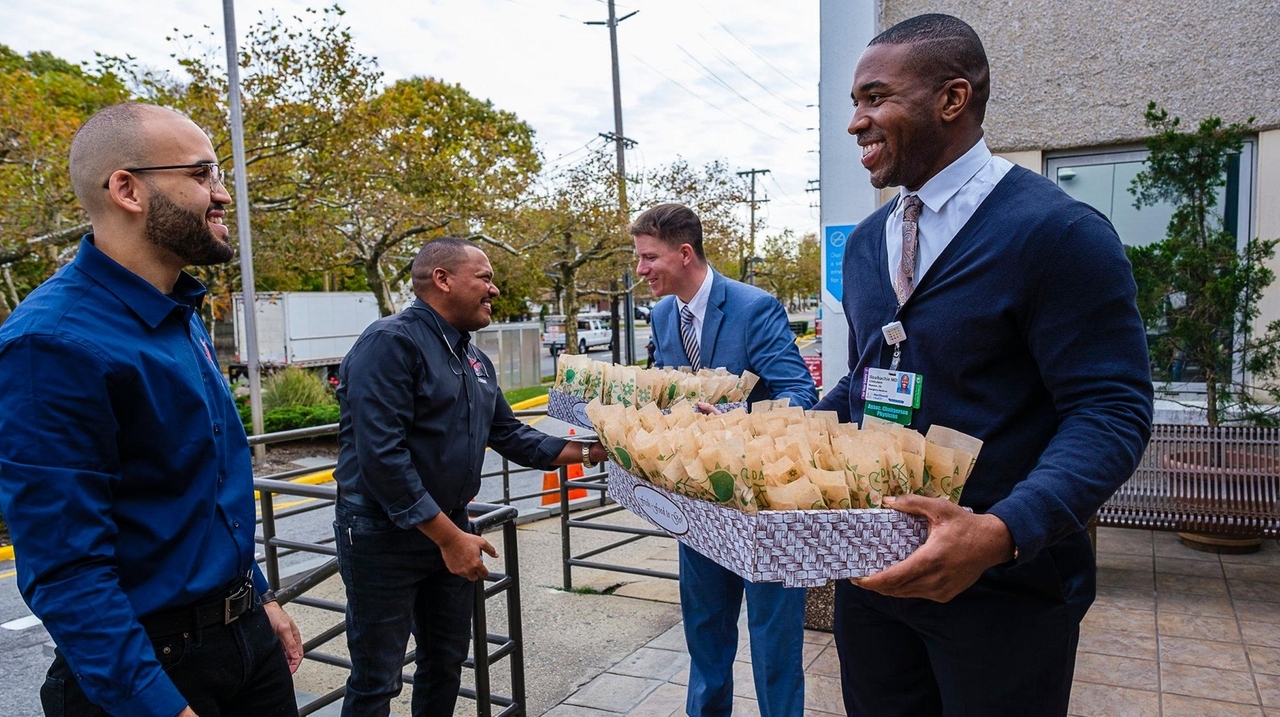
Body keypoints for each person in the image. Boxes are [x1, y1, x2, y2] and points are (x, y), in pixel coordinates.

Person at [815, 14, 1154, 717]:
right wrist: (775, 430)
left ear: (952, 98)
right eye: (854, 101)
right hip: (872, 577)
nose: (856, 121)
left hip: (1004, 592)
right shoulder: (869, 242)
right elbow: (862, 382)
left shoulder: (1059, 233)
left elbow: (1110, 410)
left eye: (875, 97)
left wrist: (1000, 533)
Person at [0, 103, 303, 717]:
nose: (222, 196)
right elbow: (65, 566)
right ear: (126, 189)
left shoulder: (179, 312)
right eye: (201, 175)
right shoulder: (51, 342)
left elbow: (201, 492)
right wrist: (156, 706)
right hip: (154, 671)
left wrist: (259, 600)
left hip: (245, 640)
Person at [333, 237, 607, 717]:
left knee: (445, 662)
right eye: (484, 277)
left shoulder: (473, 358)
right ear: (442, 279)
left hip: (451, 528)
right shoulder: (390, 343)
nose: (494, 289)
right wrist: (449, 539)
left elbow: (509, 434)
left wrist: (595, 449)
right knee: (378, 678)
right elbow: (382, 458)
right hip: (384, 535)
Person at [630, 203, 817, 717]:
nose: (640, 269)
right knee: (706, 633)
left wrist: (734, 413)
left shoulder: (755, 306)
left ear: (684, 253)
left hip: (766, 504)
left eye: (649, 258)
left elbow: (802, 393)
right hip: (698, 504)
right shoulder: (663, 313)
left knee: (773, 645)